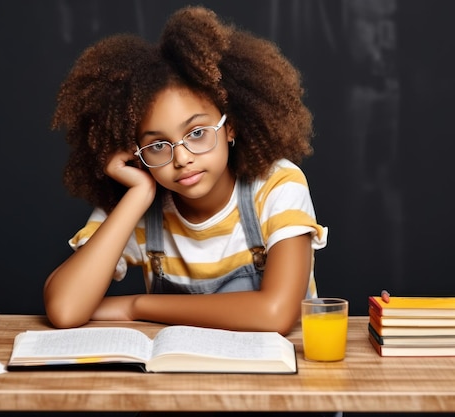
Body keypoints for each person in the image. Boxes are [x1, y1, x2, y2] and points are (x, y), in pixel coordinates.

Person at [44, 6, 328, 337]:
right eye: (158, 145)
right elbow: (65, 308)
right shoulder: (140, 206)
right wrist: (138, 195)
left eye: (196, 133)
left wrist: (136, 307)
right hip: (176, 380)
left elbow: (276, 313)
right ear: (137, 153)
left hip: (271, 379)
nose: (181, 158)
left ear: (230, 127)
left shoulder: (277, 186)